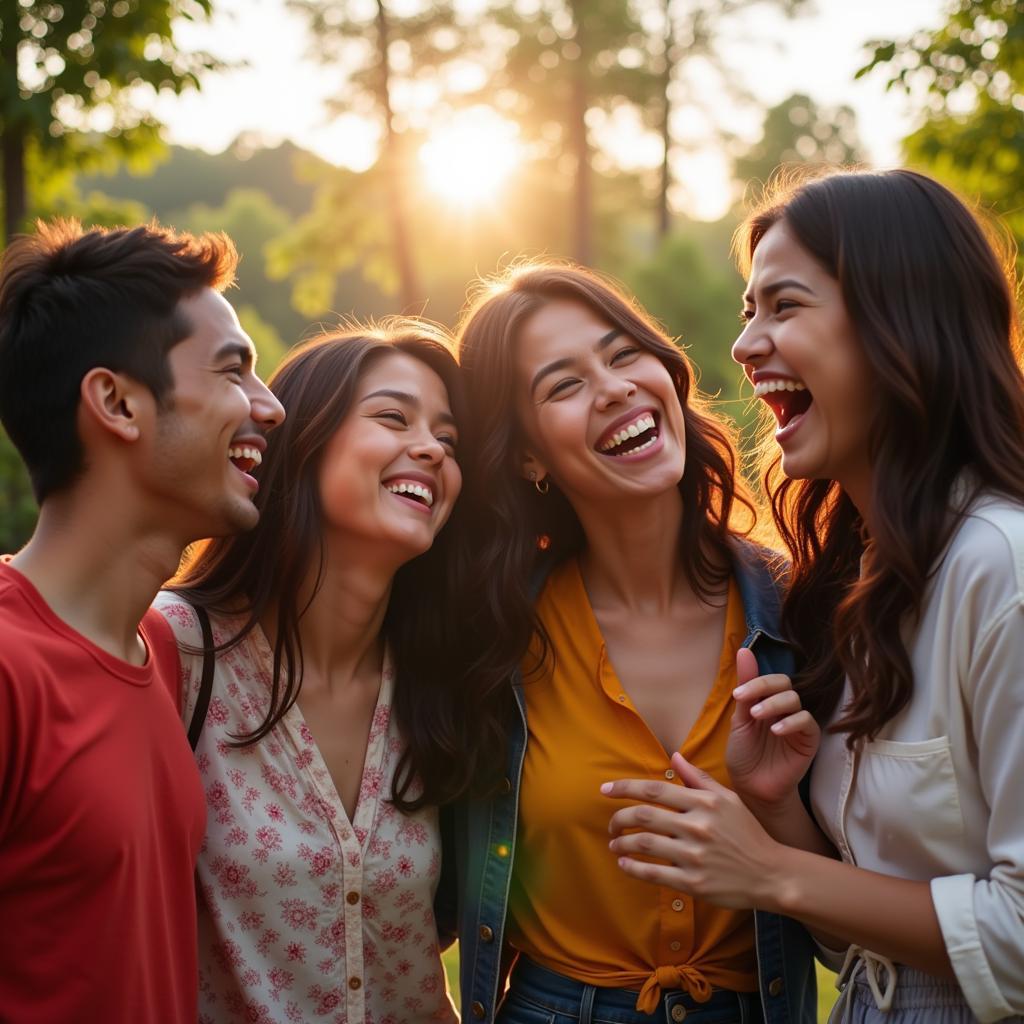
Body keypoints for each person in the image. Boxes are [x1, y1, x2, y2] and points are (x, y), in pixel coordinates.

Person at [602, 169, 1024, 1023]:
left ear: (901, 317)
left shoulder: (1001, 569)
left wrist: (768, 871)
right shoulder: (855, 582)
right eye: (747, 311)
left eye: (784, 306)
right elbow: (859, 938)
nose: (744, 344)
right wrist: (777, 808)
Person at [445, 262, 816, 1024]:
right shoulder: (491, 635)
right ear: (526, 456)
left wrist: (777, 821)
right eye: (562, 385)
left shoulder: (802, 607)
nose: (613, 388)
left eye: (622, 356)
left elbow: (845, 913)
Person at [0, 219, 285, 1021]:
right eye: (235, 371)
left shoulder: (160, 650)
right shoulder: (10, 673)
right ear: (118, 403)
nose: (272, 409)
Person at [155, 321, 476, 1024]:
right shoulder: (176, 649)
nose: (430, 449)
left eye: (448, 441)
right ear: (303, 442)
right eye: (393, 418)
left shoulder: (443, 681)